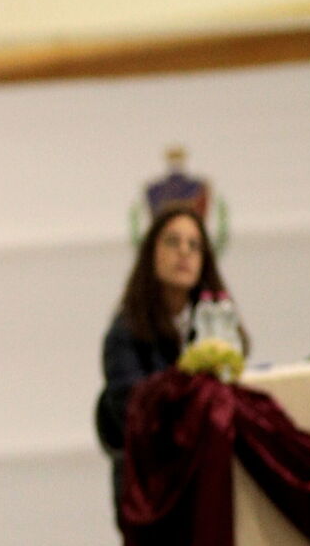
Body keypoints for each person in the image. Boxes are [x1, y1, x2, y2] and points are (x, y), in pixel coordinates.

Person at [95, 204, 243, 512]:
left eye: (194, 245)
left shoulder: (218, 322)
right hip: (151, 488)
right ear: (152, 253)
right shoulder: (125, 332)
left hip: (210, 476)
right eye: (173, 242)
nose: (184, 252)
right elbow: (133, 412)